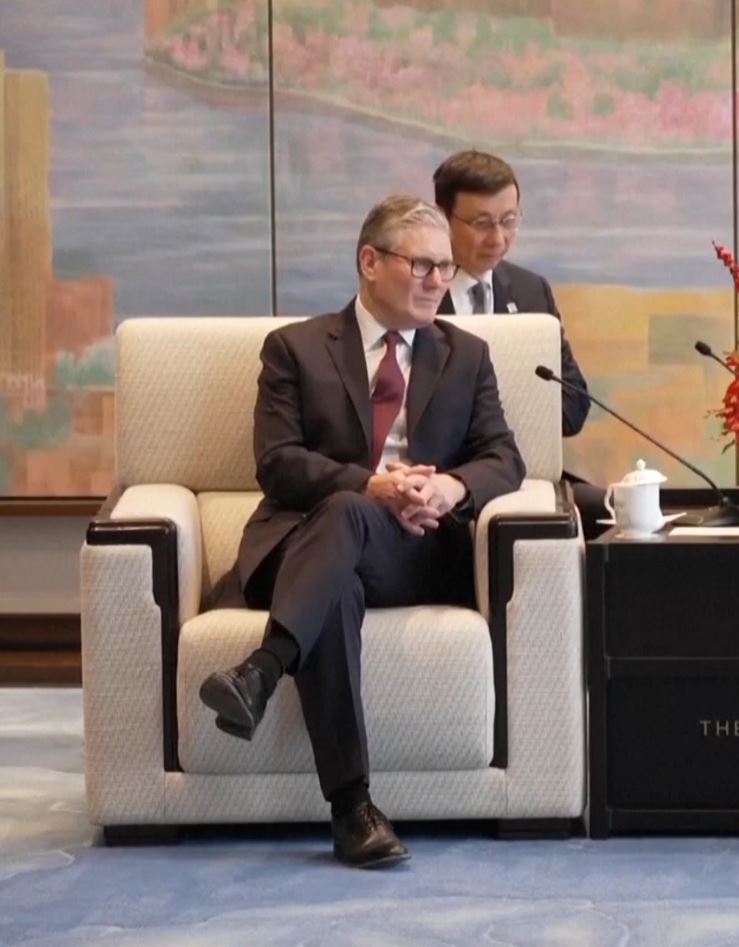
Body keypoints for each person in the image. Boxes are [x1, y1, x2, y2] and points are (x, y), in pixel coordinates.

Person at [199, 195, 525, 868]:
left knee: (351, 526)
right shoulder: (295, 348)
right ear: (370, 262)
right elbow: (277, 462)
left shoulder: (466, 355)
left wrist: (449, 487)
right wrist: (369, 485)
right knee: (339, 566)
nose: (438, 280)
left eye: (445, 266)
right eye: (422, 265)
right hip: (304, 544)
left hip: (414, 551)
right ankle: (353, 810)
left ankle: (262, 670)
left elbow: (503, 457)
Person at [432, 150, 607, 536]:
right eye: (481, 223)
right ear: (443, 217)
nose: (498, 238)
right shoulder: (418, 292)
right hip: (444, 481)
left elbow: (573, 407)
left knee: (613, 515)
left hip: (522, 474)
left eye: (509, 221)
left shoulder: (530, 291)